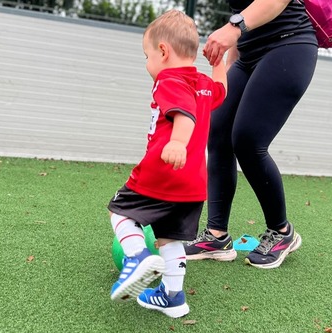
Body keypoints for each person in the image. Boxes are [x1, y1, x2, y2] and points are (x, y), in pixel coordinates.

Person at [107, 9, 227, 318]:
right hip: (194, 184)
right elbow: (221, 92)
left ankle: (136, 257)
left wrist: (176, 142)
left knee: (120, 213)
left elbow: (183, 112)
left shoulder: (168, 79)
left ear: (163, 51)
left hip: (162, 171)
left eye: (146, 56)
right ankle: (173, 296)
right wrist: (220, 64)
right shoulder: (202, 82)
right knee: (169, 238)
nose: (147, 64)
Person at [184, 0, 318, 269]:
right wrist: (233, 61)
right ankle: (216, 236)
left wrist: (233, 28)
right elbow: (241, 11)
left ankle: (281, 232)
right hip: (248, 55)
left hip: (289, 45)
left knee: (248, 140)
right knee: (219, 132)